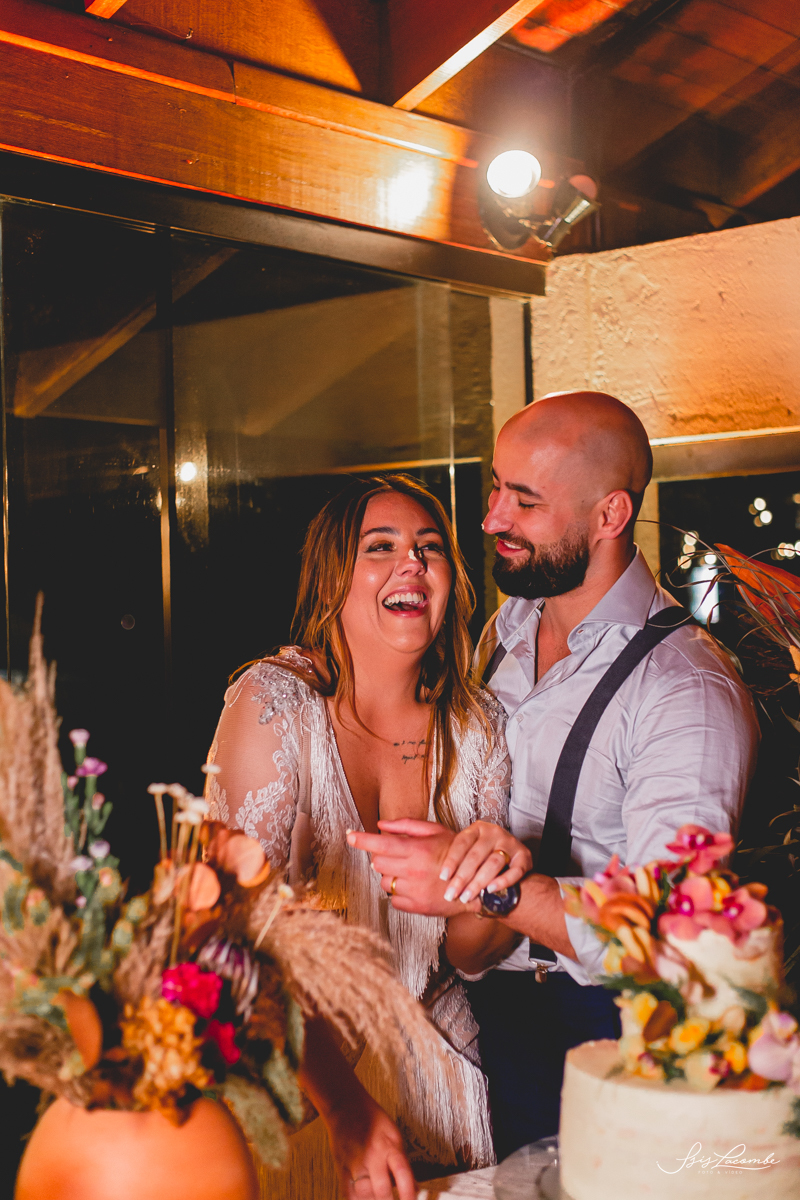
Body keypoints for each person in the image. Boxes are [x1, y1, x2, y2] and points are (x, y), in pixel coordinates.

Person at [348, 391, 760, 1159]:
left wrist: (491, 888)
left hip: (609, 1037)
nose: (491, 519)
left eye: (525, 501)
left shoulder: (686, 687)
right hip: (491, 1027)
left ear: (610, 515)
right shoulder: (500, 635)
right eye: (495, 489)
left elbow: (672, 934)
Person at [206, 474, 517, 1199]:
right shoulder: (275, 705)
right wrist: (343, 1106)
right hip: (298, 1080)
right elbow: (228, 939)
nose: (412, 562)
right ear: (332, 581)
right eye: (380, 547)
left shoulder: (479, 728)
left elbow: (470, 954)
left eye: (430, 548)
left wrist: (494, 880)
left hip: (441, 1077)